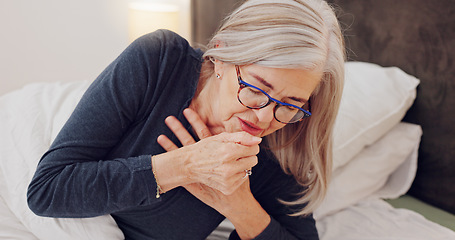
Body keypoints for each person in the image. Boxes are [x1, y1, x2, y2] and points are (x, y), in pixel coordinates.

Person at [27, 0, 345, 239]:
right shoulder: (159, 60)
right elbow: (47, 190)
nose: (265, 117)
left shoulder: (280, 142)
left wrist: (237, 203)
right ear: (220, 54)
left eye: (290, 104)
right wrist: (185, 165)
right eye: (257, 88)